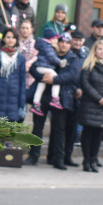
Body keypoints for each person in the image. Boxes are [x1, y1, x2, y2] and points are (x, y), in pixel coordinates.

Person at [33, 32, 81, 170]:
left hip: (61, 98)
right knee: (37, 128)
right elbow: (33, 67)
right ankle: (33, 156)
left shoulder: (73, 58)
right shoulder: (48, 52)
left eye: (66, 42)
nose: (64, 44)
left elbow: (71, 75)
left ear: (69, 44)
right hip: (44, 95)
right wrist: (41, 76)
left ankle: (57, 159)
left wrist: (54, 79)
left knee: (59, 129)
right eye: (61, 42)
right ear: (58, 43)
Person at [77, 39, 103, 172]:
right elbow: (85, 84)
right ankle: (86, 160)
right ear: (95, 51)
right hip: (90, 103)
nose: (102, 52)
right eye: (99, 49)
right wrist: (98, 98)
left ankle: (94, 159)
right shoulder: (89, 65)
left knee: (98, 133)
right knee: (88, 132)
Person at [0, 29, 26, 122]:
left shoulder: (20, 58)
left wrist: (22, 105)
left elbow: (23, 83)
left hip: (14, 102)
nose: (11, 40)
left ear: (16, 40)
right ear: (3, 39)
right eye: (8, 37)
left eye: (13, 37)